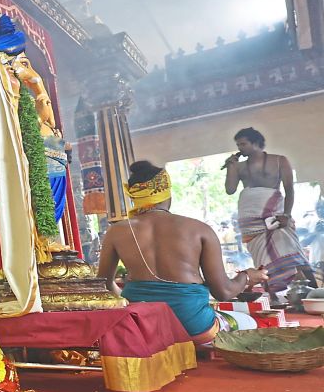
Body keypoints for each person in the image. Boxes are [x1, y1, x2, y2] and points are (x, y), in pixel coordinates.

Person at [98, 161, 268, 344]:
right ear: (167, 194)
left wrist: (131, 302)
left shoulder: (116, 232)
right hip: (194, 327)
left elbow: (104, 286)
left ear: (133, 196)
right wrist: (247, 276)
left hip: (141, 327)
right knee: (248, 321)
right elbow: (224, 292)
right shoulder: (199, 229)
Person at [224, 127, 315, 292]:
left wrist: (286, 215)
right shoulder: (238, 166)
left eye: (243, 144)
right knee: (262, 261)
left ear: (256, 143)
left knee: (292, 249)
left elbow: (289, 189)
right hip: (249, 217)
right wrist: (231, 167)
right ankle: (273, 296)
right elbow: (230, 190)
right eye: (238, 145)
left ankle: (316, 291)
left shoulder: (280, 160)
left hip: (275, 215)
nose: (240, 148)